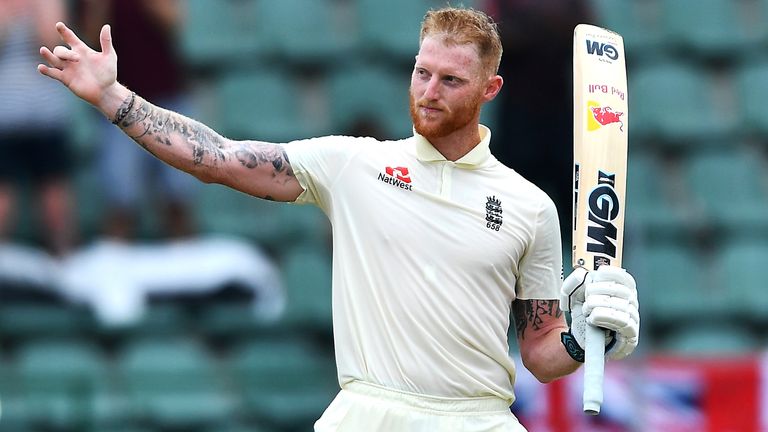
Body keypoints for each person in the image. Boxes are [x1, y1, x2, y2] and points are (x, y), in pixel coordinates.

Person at [38, 7, 640, 431]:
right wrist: (115, 98)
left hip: (477, 419)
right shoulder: (354, 163)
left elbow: (539, 351)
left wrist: (586, 338)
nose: (429, 91)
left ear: (491, 88)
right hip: (369, 415)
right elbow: (218, 159)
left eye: (451, 80)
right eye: (421, 72)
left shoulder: (529, 206)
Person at [79, 0, 197, 239]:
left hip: (167, 98)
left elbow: (175, 21)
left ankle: (186, 264)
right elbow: (91, 37)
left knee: (177, 200)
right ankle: (114, 267)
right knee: (121, 201)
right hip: (115, 103)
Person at [0, 0, 76, 257]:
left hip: (47, 116)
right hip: (5, 120)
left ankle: (64, 264)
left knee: (55, 202)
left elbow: (52, 45)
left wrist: (34, 12)